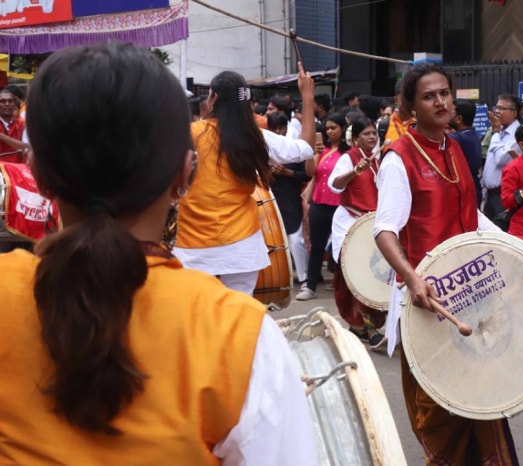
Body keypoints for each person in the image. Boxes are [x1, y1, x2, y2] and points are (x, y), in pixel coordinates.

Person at [0, 41, 315, 465]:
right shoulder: (244, 338)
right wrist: (309, 100)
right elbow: (305, 151)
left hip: (199, 250)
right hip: (241, 252)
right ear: (182, 176)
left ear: (36, 173)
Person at [374, 62, 516, 465]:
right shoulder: (397, 158)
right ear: (409, 107)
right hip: (428, 302)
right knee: (440, 414)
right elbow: (385, 230)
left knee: (483, 401)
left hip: (474, 294)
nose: (439, 101)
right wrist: (412, 279)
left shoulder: (454, 146)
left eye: (444, 93)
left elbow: (471, 214)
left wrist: (519, 248)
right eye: (428, 96)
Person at [174, 70, 316, 296]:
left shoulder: (190, 134)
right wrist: (308, 98)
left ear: (214, 99)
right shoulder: (255, 136)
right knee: (237, 321)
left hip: (194, 247)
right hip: (242, 245)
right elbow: (306, 148)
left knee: (197, 322)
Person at [326, 116, 386, 348]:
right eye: (366, 134)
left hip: (373, 225)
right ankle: (370, 330)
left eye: (373, 133)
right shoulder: (347, 158)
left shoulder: (380, 160)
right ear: (355, 139)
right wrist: (354, 172)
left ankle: (361, 326)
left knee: (373, 275)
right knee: (357, 274)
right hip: (350, 223)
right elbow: (335, 185)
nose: (371, 137)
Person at [297, 112, 349, 300]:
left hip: (339, 205)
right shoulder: (323, 150)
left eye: (333, 128)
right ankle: (310, 286)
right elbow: (311, 172)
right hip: (319, 202)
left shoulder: (349, 152)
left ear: (343, 129)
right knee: (316, 246)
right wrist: (313, 153)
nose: (329, 132)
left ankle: (343, 287)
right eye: (327, 128)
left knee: (342, 247)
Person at [268, 112, 312, 287]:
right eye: (275, 128)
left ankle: (303, 276)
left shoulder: (294, 148)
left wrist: (288, 173)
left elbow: (306, 175)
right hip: (271, 199)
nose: (279, 132)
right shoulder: (264, 146)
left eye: (282, 128)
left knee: (296, 239)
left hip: (290, 198)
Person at [481, 94, 522, 219]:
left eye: (502, 109)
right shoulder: (500, 132)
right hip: (489, 194)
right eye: (496, 108)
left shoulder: (517, 134)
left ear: (514, 113)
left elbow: (501, 159)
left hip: (503, 194)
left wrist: (495, 133)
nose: (497, 112)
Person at [449, 98, 483, 204]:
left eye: (451, 112)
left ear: (459, 119)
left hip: (465, 191)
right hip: (472, 188)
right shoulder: (472, 135)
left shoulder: (457, 139)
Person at [0, 87, 27, 163]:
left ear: (15, 104)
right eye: (2, 101)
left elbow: (27, 147)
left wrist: (2, 136)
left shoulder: (23, 123)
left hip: (19, 169)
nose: (7, 104)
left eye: (10, 101)